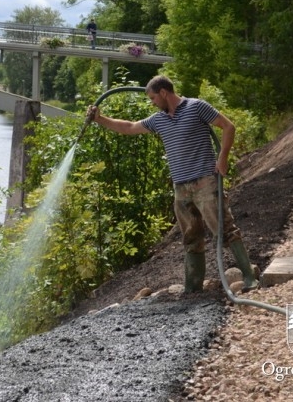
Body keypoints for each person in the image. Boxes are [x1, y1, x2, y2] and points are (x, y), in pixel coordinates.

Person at [86, 75, 259, 294]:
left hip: (205, 181)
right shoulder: (159, 120)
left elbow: (228, 126)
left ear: (164, 93)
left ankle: (249, 277)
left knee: (224, 230)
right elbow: (129, 127)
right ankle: (193, 288)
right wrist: (100, 119)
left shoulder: (197, 107)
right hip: (181, 188)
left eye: (152, 98)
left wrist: (222, 158)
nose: (152, 102)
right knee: (191, 237)